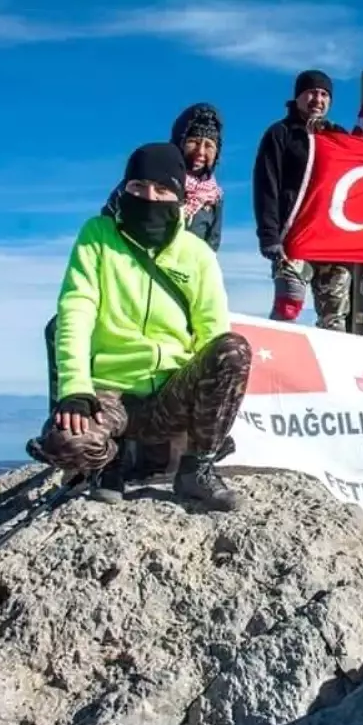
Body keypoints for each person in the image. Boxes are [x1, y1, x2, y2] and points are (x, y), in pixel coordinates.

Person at [28, 143, 252, 511]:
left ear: (179, 197)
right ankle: (107, 462)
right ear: (124, 188)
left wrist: (203, 416)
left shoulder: (196, 254)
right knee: (64, 444)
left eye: (162, 189)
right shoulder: (98, 235)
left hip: (170, 395)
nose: (149, 197)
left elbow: (212, 331)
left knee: (232, 348)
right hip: (109, 394)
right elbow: (75, 309)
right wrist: (76, 390)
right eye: (138, 187)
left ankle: (196, 470)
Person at [252, 69, 354, 331]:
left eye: (324, 95)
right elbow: (267, 184)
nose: (317, 100)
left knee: (334, 319)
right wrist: (269, 235)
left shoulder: (338, 137)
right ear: (298, 96)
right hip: (292, 239)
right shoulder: (280, 133)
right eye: (312, 93)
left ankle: (331, 368)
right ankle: (278, 367)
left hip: (331, 241)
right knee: (288, 310)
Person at [101, 103, 225, 252]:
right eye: (194, 142)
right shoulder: (150, 176)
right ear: (180, 142)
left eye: (209, 146)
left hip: (185, 271)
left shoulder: (213, 198)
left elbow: (211, 244)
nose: (200, 151)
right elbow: (109, 218)